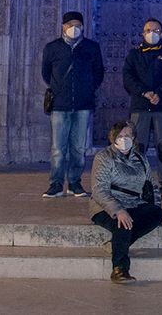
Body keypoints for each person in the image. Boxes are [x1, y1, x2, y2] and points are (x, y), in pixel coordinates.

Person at [89, 120, 162, 284]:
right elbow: (99, 190)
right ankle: (120, 268)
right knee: (122, 223)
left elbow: (152, 186)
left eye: (128, 135)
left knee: (156, 215)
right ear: (114, 137)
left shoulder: (141, 158)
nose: (125, 138)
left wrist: (156, 206)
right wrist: (118, 210)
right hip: (106, 206)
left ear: (134, 138)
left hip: (134, 203)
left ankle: (115, 244)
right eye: (121, 135)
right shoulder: (104, 157)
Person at [40, 10, 104, 198]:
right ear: (63, 27)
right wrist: (59, 89)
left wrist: (88, 88)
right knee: (58, 148)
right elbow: (46, 73)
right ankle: (56, 184)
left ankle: (75, 182)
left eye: (78, 25)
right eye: (70, 25)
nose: (74, 28)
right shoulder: (53, 48)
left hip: (83, 105)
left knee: (78, 147)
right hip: (60, 105)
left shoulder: (91, 47)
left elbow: (99, 72)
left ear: (83, 27)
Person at [123, 17, 162, 201]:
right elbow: (128, 77)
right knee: (138, 147)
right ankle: (137, 185)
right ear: (142, 33)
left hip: (161, 107)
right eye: (148, 30)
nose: (152, 33)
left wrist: (158, 94)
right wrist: (144, 93)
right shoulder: (134, 54)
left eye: (156, 30)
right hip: (140, 107)